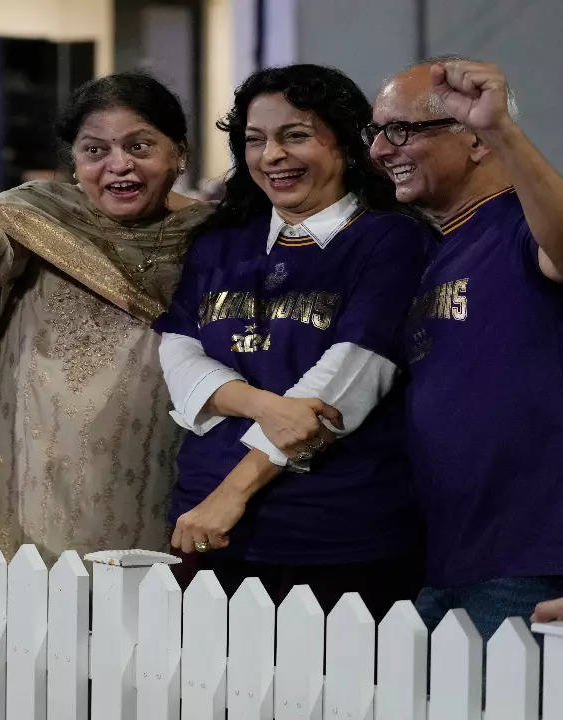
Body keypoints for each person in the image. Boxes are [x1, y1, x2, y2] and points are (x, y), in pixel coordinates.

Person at [0, 72, 212, 563]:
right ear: (74, 161)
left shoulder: (216, 236)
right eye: (95, 151)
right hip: (33, 478)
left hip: (167, 471)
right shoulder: (41, 216)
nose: (118, 166)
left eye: (140, 146)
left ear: (180, 153)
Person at [156, 64, 437, 615]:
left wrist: (231, 495)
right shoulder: (220, 242)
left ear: (347, 144)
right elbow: (178, 354)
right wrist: (267, 406)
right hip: (206, 527)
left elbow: (347, 382)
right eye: (255, 140)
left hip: (336, 533)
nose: (272, 156)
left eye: (296, 136)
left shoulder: (390, 239)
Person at [369, 58, 563, 637]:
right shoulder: (435, 250)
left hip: (537, 564)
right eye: (376, 132)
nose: (380, 150)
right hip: (451, 561)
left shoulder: (519, 225)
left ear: (475, 142)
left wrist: (503, 131)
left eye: (400, 129)